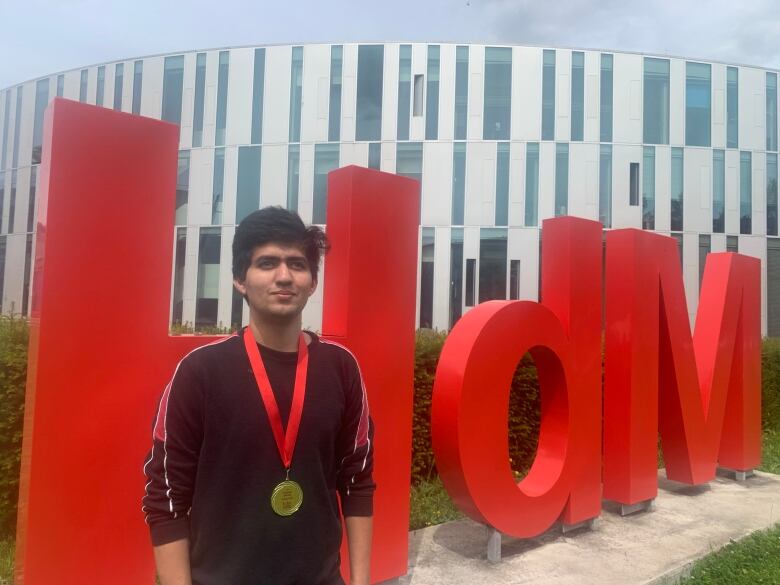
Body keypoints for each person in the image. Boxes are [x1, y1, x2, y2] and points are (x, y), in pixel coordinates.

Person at [142, 206, 375, 585]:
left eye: (297, 264)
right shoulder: (199, 372)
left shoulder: (341, 368)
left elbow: (357, 479)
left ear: (312, 281)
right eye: (267, 263)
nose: (284, 276)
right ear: (239, 279)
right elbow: (166, 495)